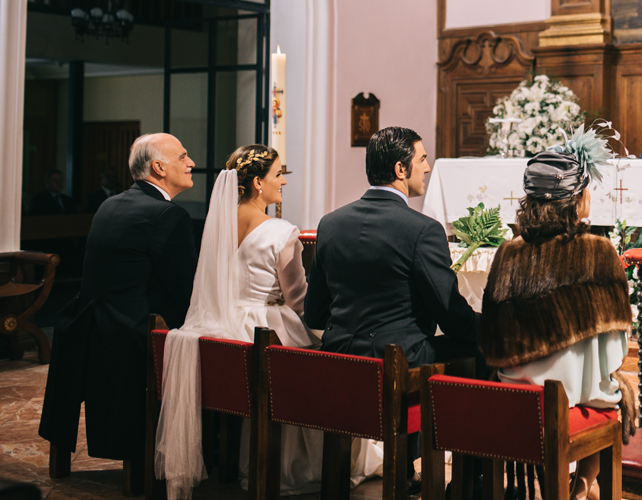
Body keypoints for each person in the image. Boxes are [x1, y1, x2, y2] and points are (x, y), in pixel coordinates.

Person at [306, 126, 479, 481]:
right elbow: (451, 316)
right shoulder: (421, 230)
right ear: (401, 170)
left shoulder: (331, 223)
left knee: (416, 345)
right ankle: (470, 477)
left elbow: (315, 313)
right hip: (396, 363)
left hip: (340, 358)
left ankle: (407, 468)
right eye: (422, 159)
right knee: (479, 350)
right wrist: (490, 328)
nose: (428, 168)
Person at [154, 145, 326, 500]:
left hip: (221, 324)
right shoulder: (281, 231)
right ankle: (295, 464)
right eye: (279, 174)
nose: (283, 182)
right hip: (266, 328)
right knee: (319, 353)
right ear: (258, 183)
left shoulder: (216, 226)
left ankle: (229, 459)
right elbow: (298, 299)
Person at [481, 129, 635, 500]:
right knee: (614, 398)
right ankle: (582, 484)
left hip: (513, 397)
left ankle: (577, 485)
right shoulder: (598, 252)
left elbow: (489, 336)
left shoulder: (507, 253)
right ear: (578, 199)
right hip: (566, 403)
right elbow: (614, 347)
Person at [39, 134, 198, 474]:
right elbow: (184, 291)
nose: (191, 163)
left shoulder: (111, 204)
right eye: (183, 156)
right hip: (131, 337)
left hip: (86, 327)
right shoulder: (169, 215)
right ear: (158, 167)